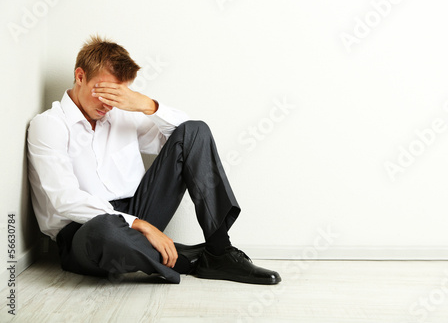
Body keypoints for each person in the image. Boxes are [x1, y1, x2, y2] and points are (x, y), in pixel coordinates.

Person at [27, 35, 281, 285]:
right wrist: (140, 225)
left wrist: (147, 105)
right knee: (105, 231)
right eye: (103, 91)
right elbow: (64, 199)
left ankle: (219, 250)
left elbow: (189, 138)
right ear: (80, 76)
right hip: (84, 230)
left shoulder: (122, 115)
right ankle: (188, 260)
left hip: (139, 211)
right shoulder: (49, 125)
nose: (108, 104)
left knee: (196, 129)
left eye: (116, 95)